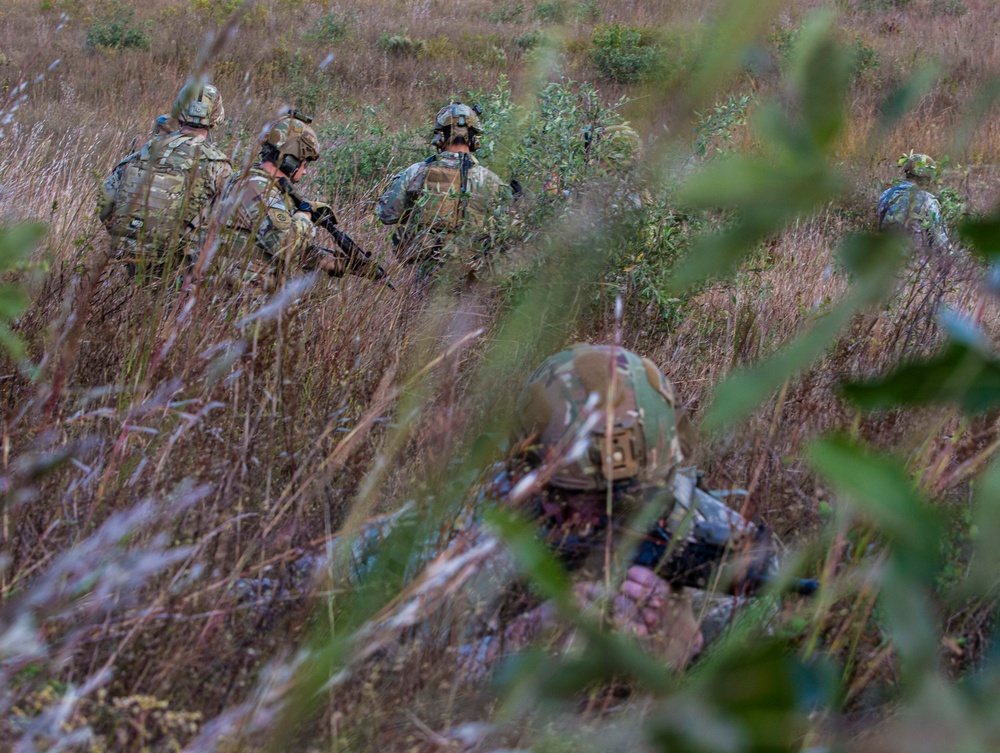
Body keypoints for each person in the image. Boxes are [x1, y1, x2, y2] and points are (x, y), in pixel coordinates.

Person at [219, 111, 385, 291]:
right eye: (304, 163)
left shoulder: (254, 182)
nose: (305, 171)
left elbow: (280, 245)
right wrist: (304, 215)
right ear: (290, 160)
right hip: (239, 297)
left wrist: (342, 264)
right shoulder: (258, 188)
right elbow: (285, 246)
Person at [99, 81, 232, 278]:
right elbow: (229, 222)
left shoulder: (147, 151)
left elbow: (106, 198)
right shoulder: (218, 165)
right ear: (215, 117)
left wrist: (126, 235)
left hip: (134, 261)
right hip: (182, 271)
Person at [376, 102, 508, 274]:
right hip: (473, 277)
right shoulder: (491, 180)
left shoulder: (417, 172)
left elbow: (387, 215)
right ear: (474, 138)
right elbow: (508, 232)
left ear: (440, 136)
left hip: (426, 273)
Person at [878, 151, 951, 253]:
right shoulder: (928, 201)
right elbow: (941, 244)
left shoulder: (886, 195)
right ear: (927, 178)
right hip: (915, 265)